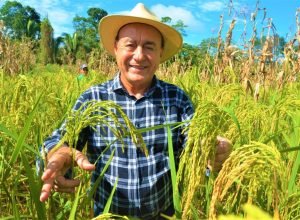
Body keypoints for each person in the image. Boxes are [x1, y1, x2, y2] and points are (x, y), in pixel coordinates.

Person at [39, 3, 231, 219]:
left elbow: (196, 147)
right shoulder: (94, 98)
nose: (139, 56)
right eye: (130, 45)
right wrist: (57, 155)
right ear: (115, 48)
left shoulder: (176, 98)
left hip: (164, 214)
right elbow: (58, 140)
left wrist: (214, 152)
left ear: (160, 52)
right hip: (108, 214)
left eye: (149, 47)